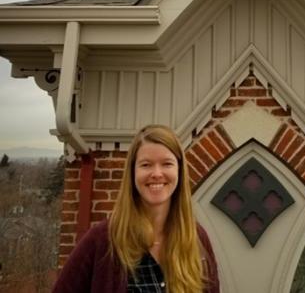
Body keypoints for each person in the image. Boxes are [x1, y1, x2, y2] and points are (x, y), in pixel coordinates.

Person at [53, 124, 220, 292]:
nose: (156, 173)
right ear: (133, 172)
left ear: (179, 170)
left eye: (167, 164)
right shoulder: (103, 241)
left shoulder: (196, 239)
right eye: (146, 165)